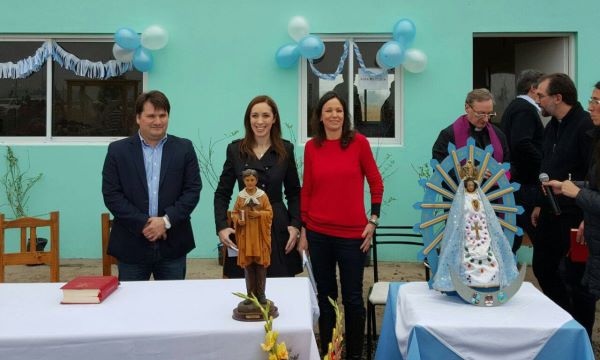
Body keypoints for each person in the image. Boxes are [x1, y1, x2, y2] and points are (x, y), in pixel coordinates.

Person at [298, 91, 383, 359]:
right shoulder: (312, 147)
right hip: (318, 234)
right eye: (329, 111)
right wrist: (304, 229)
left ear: (345, 115)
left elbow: (376, 182)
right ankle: (330, 353)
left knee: (353, 300)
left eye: (339, 111)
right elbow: (308, 189)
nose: (334, 115)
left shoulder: (358, 143)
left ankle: (355, 355)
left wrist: (373, 220)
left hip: (352, 237)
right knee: (326, 298)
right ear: (320, 116)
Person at [102, 90, 202, 281]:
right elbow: (112, 194)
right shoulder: (118, 151)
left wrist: (164, 222)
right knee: (131, 306)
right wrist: (145, 224)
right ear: (138, 118)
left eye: (162, 115)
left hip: (173, 244)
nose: (158, 121)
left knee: (172, 305)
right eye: (151, 116)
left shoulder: (184, 148)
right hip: (131, 244)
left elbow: (192, 190)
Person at [531, 73, 595, 336]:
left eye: (541, 95)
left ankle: (580, 335)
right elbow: (547, 165)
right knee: (543, 267)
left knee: (576, 278)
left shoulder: (585, 126)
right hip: (549, 210)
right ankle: (562, 322)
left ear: (558, 97)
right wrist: (538, 202)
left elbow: (593, 175)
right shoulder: (552, 126)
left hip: (575, 214)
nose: (537, 100)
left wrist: (587, 217)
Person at [214, 95, 302, 278]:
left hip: (277, 225)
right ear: (248, 119)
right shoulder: (235, 150)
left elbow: (294, 193)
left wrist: (295, 225)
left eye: (265, 115)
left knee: (280, 286)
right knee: (245, 287)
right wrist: (222, 226)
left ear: (274, 118)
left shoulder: (286, 150)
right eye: (254, 116)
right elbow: (222, 193)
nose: (260, 121)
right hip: (245, 225)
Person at [432, 161, 518, 291]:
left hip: (481, 228)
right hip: (467, 230)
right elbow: (457, 215)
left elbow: (487, 214)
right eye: (469, 185)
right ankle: (464, 278)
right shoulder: (462, 198)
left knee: (486, 249)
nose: (471, 187)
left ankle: (491, 278)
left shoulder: (480, 197)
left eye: (473, 185)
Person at [501, 70, 545, 253]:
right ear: (533, 88)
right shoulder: (524, 109)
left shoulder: (516, 106)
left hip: (518, 180)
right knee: (537, 234)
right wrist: (545, 163)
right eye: (542, 90)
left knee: (515, 233)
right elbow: (521, 143)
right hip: (525, 183)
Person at [432, 88, 509, 165]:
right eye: (480, 114)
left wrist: (499, 169)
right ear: (467, 107)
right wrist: (476, 173)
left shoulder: (498, 135)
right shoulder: (448, 136)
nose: (486, 119)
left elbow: (508, 164)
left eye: (489, 114)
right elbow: (440, 168)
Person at [232, 169, 273, 304]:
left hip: (259, 236)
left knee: (260, 266)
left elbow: (269, 212)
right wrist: (238, 220)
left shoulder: (262, 196)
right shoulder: (240, 196)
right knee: (248, 267)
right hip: (246, 236)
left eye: (252, 180)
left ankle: (261, 294)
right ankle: (250, 294)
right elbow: (235, 212)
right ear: (243, 181)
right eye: (247, 180)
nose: (250, 182)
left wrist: (259, 214)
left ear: (256, 180)